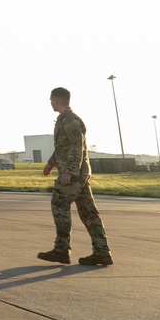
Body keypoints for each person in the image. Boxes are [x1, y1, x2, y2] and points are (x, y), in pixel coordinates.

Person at [37, 87, 114, 266]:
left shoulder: (71, 120)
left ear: (56, 101)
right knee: (89, 213)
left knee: (59, 204)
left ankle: (62, 249)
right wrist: (51, 163)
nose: (50, 104)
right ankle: (102, 252)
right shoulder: (64, 119)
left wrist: (70, 171)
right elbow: (63, 147)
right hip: (79, 174)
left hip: (74, 174)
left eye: (51, 101)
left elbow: (77, 146)